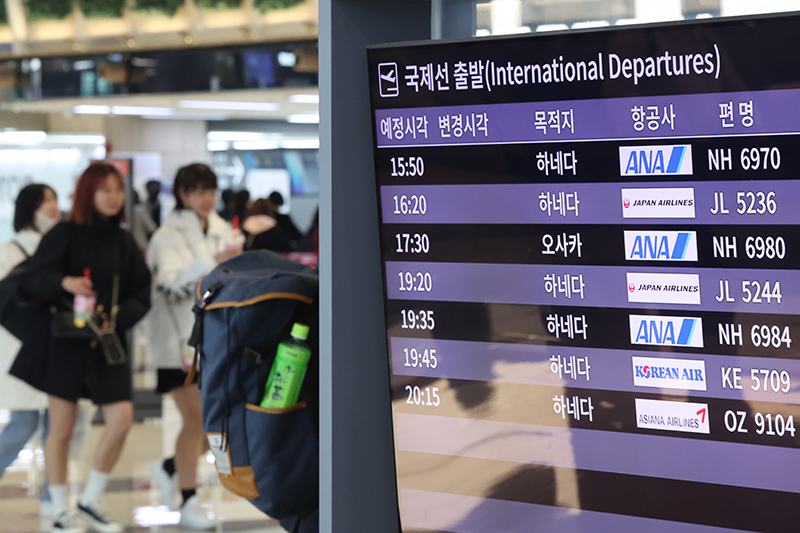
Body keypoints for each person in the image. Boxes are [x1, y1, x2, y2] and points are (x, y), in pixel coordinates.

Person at [10, 163, 152, 533]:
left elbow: (142, 291)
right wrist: (65, 281)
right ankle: (59, 509)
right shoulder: (65, 233)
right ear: (88, 192)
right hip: (65, 343)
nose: (113, 197)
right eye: (104, 189)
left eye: (117, 190)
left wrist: (119, 319)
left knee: (120, 421)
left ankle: (90, 500)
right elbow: (33, 280)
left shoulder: (123, 239)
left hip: (108, 342)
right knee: (62, 427)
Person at [146, 163, 241, 529]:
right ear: (183, 194)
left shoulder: (223, 230)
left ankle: (170, 466)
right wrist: (212, 265)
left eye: (211, 190)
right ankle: (188, 501)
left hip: (216, 340)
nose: (206, 198)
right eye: (198, 191)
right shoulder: (166, 236)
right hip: (177, 343)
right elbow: (170, 288)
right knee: (197, 420)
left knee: (211, 424)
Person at [0, 184, 60, 514]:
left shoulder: (58, 247)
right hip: (21, 353)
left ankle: (54, 496)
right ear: (30, 208)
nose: (53, 207)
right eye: (45, 201)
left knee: (60, 427)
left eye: (54, 200)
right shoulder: (9, 251)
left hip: (56, 350)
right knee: (23, 424)